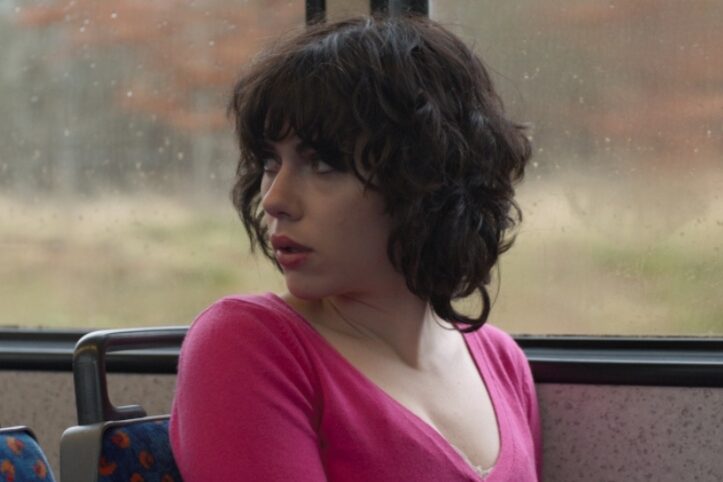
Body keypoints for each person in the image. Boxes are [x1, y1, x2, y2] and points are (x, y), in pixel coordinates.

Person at [170, 14, 541, 481]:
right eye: (269, 162)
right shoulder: (251, 344)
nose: (274, 199)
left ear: (425, 180)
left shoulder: (503, 363)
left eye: (323, 164)